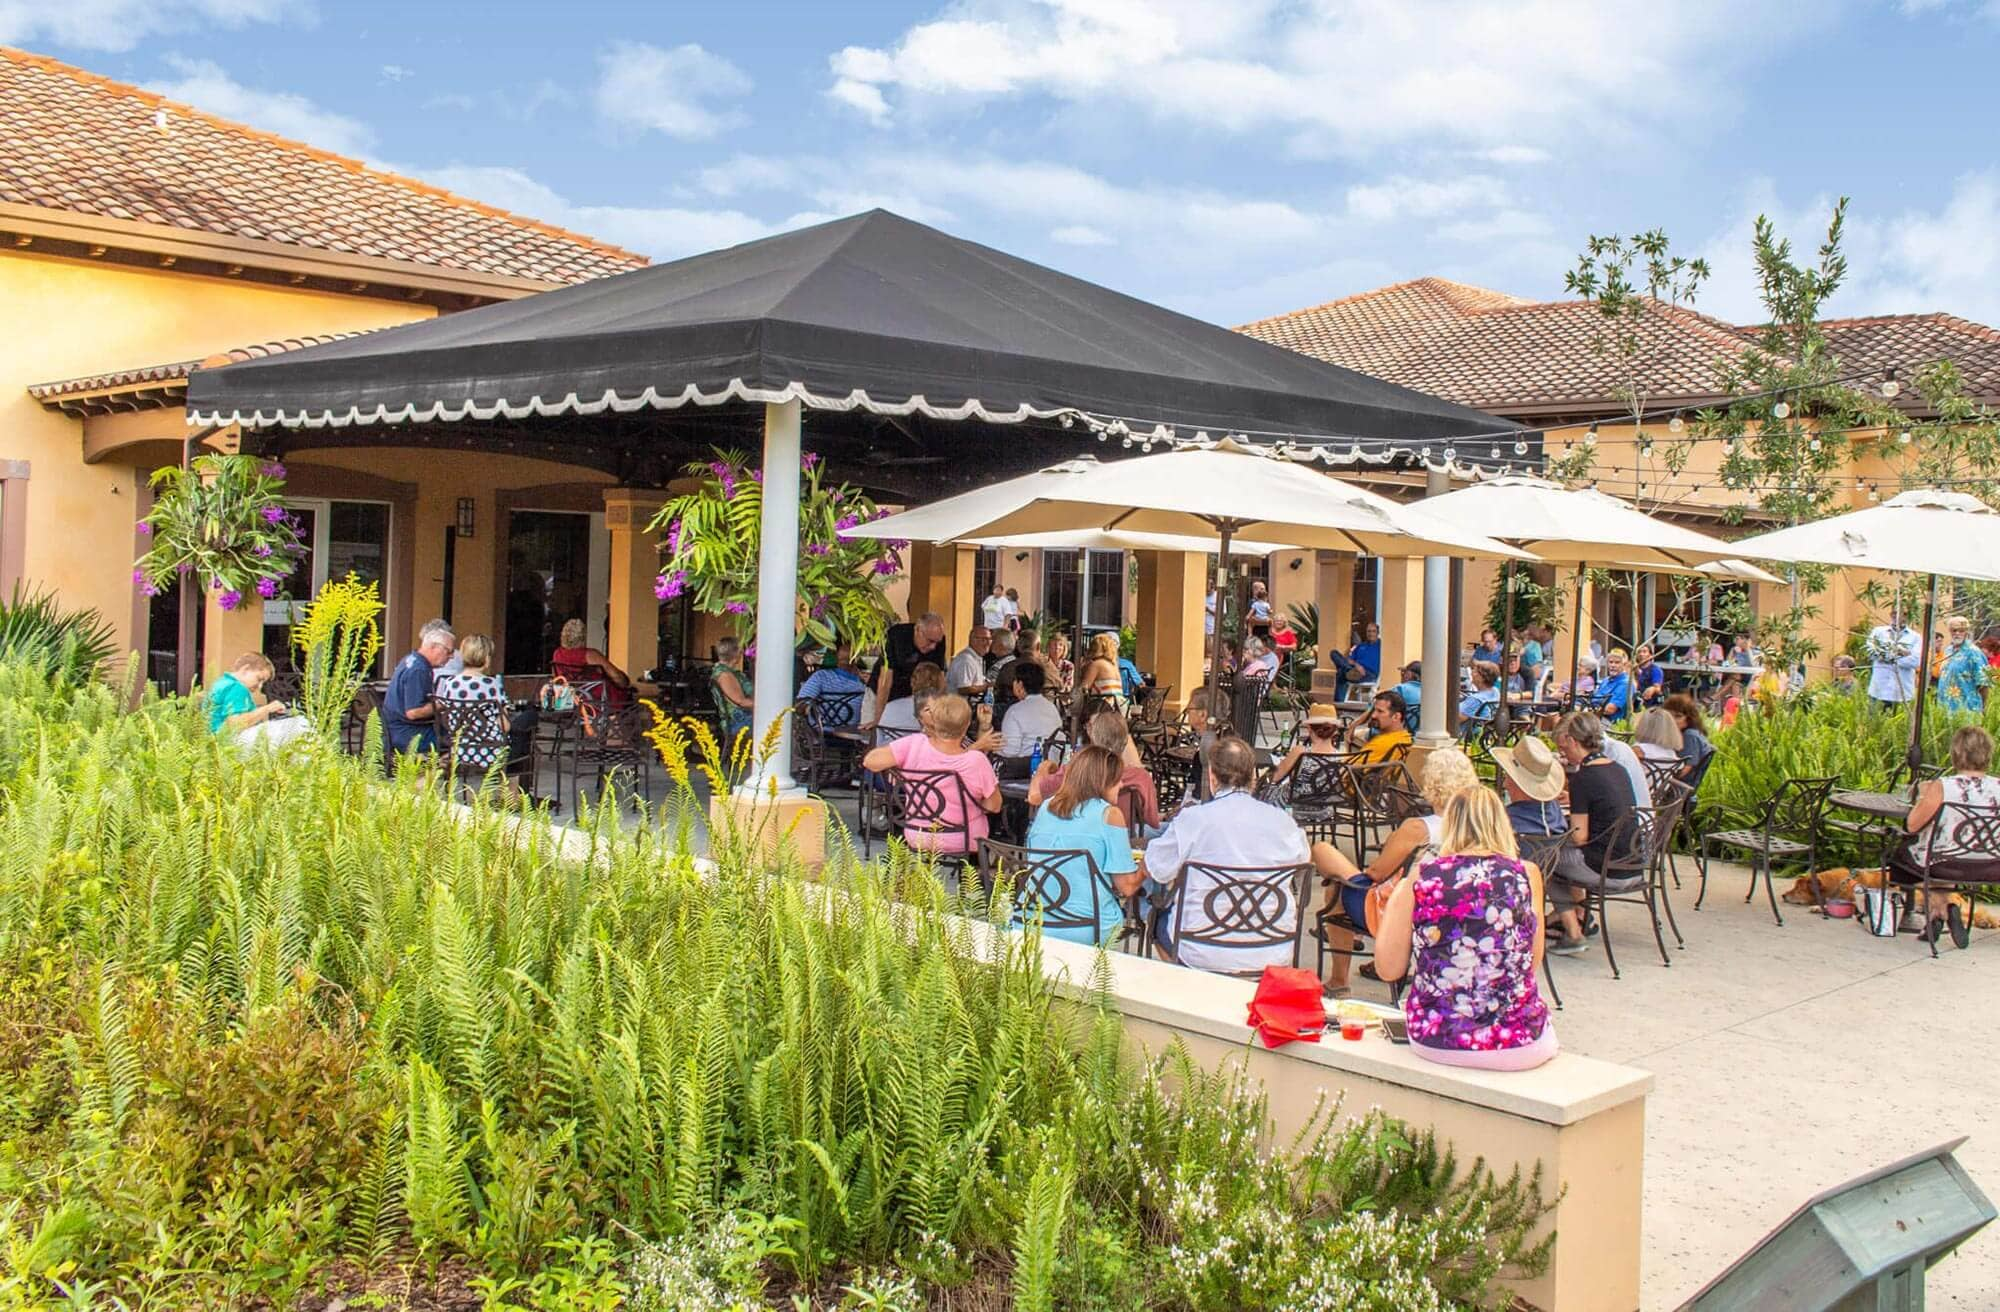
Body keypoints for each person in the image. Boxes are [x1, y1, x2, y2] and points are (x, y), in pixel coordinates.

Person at [1372, 787, 1556, 1071]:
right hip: (1522, 1040)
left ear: (1450, 825)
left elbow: (1387, 968)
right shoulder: (1526, 873)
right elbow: (1532, 961)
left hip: (1438, 1037)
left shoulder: (1423, 876)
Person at [1140, 738, 1346, 975]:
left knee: (1156, 917)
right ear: (1253, 778)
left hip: (1201, 949)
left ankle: (1188, 984)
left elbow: (1156, 868)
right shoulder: (1284, 823)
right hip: (1272, 948)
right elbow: (1300, 867)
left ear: (1212, 777)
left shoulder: (1193, 820)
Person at [1317, 747, 1479, 992]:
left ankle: (1340, 980)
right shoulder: (1476, 827)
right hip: (1450, 915)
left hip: (1398, 912)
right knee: (1338, 882)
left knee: (1328, 866)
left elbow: (1377, 873)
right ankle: (1381, 962)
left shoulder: (1417, 829)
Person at [1020, 744, 1137, 947]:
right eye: (1117, 779)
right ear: (1103, 781)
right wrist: (1148, 868)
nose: (1121, 784)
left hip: (1031, 919)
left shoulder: (1046, 806)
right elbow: (1126, 886)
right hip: (1087, 926)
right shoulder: (1109, 814)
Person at [1893, 726, 1999, 947]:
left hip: (1945, 862)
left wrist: (1923, 795)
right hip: (1991, 864)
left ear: (1956, 753)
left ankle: (1943, 911)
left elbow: (1912, 825)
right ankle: (1939, 915)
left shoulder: (1943, 786)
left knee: (1908, 854)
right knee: (1940, 854)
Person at [1546, 710, 1643, 953]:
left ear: (1571, 740)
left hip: (1608, 871)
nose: (1562, 754)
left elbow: (1580, 837)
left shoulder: (1584, 778)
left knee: (1544, 860)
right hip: (1634, 865)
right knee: (1562, 858)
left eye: (1562, 747)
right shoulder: (1617, 769)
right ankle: (1580, 914)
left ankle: (1573, 932)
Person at [861, 694, 1001, 856]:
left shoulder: (914, 744)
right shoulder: (976, 760)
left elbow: (870, 761)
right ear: (967, 725)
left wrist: (898, 769)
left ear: (934, 722)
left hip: (917, 834)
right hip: (963, 838)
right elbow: (994, 806)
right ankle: (978, 875)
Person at [1030, 709, 1161, 832]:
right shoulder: (1140, 777)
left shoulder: (1076, 770)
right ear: (1126, 741)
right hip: (1126, 834)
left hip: (1079, 836)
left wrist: (1043, 767)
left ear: (1093, 737)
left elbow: (1034, 796)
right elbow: (1152, 822)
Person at [435, 633, 534, 779]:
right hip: (490, 752)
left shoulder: (449, 683)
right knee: (524, 729)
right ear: (487, 658)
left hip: (460, 750)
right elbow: (505, 726)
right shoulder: (492, 685)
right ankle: (513, 798)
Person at [205, 652, 310, 751]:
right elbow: (234, 724)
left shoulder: (222, 683)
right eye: (259, 679)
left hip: (215, 742)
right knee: (301, 723)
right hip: (231, 744)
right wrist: (267, 708)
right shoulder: (237, 687)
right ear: (245, 669)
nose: (259, 687)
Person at [385, 620, 456, 755]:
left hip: (396, 729)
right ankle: (441, 772)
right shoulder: (419, 670)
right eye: (449, 651)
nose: (452, 656)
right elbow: (413, 712)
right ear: (434, 647)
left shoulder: (410, 659)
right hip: (409, 735)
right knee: (461, 736)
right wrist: (442, 703)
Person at [551, 618, 644, 705]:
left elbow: (557, 678)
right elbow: (616, 676)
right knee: (632, 694)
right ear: (583, 637)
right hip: (598, 698)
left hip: (572, 698)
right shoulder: (590, 655)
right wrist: (626, 683)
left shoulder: (557, 653)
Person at [1265, 703, 1346, 789]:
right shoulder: (1341, 757)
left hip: (1292, 800)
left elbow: (1275, 778)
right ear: (1335, 730)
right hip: (1323, 801)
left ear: (1309, 728)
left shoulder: (1300, 752)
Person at [999, 661, 1063, 765]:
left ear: (1019, 684)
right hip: (1052, 766)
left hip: (1025, 773)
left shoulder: (1015, 711)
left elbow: (1009, 752)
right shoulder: (1052, 708)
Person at [878, 611, 947, 706]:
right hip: (880, 691)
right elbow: (885, 680)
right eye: (930, 641)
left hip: (911, 696)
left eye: (937, 642)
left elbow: (939, 678)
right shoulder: (896, 635)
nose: (933, 647)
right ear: (917, 630)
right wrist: (879, 717)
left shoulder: (939, 641)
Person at [870, 661, 944, 738]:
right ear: (940, 684)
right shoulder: (942, 712)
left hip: (891, 748)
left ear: (912, 682)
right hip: (921, 749)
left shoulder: (889, 707)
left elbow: (879, 740)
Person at [1938, 615, 1990, 714]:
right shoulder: (1948, 651)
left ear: (1966, 632)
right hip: (1945, 708)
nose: (1957, 633)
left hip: (1966, 709)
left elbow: (1984, 683)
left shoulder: (1974, 653)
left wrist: (1983, 708)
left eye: (1961, 631)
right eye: (1954, 630)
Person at [709, 636, 755, 746]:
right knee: (783, 722)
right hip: (737, 722)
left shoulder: (728, 671)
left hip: (741, 718)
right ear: (735, 653)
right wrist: (768, 707)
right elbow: (740, 701)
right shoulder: (725, 675)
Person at [1345, 690, 1412, 764]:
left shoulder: (1382, 744)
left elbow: (1347, 769)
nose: (1373, 715)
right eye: (1374, 710)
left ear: (1396, 716)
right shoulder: (1406, 739)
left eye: (1380, 711)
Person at [1866, 616, 1920, 707]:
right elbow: (1871, 652)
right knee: (1874, 720)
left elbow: (1915, 661)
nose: (1898, 616)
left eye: (1904, 614)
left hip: (1903, 693)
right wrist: (1900, 653)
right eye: (1894, 613)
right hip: (1879, 691)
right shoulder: (1878, 632)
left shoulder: (1916, 637)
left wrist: (1885, 656)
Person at [1664, 693, 1714, 783]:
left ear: (1689, 718)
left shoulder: (1690, 736)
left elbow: (1684, 770)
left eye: (1678, 716)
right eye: (1669, 716)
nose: (1672, 720)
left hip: (1676, 788)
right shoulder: (1679, 734)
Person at [1331, 621, 1382, 699]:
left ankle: (1338, 705)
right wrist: (1356, 665)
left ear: (1377, 633)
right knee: (1334, 653)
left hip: (1368, 674)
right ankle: (1348, 670)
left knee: (1341, 673)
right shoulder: (1361, 646)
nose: (1371, 634)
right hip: (1354, 670)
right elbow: (1349, 660)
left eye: (1373, 631)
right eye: (1369, 631)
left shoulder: (1381, 646)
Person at [1078, 631, 1125, 705]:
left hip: (1103, 708)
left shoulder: (1097, 664)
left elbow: (1083, 688)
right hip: (1119, 706)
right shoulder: (1114, 665)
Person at [1590, 648, 1635, 724]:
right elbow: (1593, 699)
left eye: (1617, 663)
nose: (1613, 665)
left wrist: (1590, 709)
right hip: (1594, 716)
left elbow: (1610, 710)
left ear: (1624, 665)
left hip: (1609, 722)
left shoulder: (1626, 684)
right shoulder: (1605, 680)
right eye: (1611, 662)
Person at [947, 626, 993, 697]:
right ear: (973, 640)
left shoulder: (976, 657)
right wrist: (987, 687)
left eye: (990, 639)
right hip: (958, 705)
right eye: (984, 639)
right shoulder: (966, 660)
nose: (988, 643)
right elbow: (963, 688)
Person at [986, 630, 1021, 722]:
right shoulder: (1015, 661)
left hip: (999, 708)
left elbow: (989, 688)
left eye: (993, 640)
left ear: (1001, 645)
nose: (989, 643)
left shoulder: (999, 666)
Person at [1458, 660, 1501, 728]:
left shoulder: (1475, 700)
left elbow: (1455, 718)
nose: (1471, 673)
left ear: (1482, 678)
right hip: (1486, 732)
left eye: (1474, 671)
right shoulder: (1495, 691)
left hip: (1468, 735)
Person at [1390, 661, 1422, 731]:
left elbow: (1374, 711)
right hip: (1421, 735)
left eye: (1404, 672)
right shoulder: (1430, 693)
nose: (1402, 675)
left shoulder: (1399, 689)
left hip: (1399, 734)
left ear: (1410, 674)